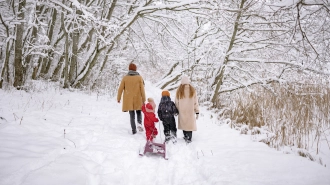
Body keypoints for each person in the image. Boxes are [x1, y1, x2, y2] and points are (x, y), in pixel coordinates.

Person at [117, 63, 146, 134]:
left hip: (128, 99)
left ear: (129, 69)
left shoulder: (125, 78)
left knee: (131, 115)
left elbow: (120, 89)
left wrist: (119, 98)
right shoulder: (139, 77)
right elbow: (142, 89)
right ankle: (139, 123)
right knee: (139, 112)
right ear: (135, 69)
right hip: (138, 98)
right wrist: (144, 99)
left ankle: (134, 130)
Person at [175, 76, 199, 143]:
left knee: (184, 124)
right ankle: (189, 138)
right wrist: (197, 111)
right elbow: (195, 102)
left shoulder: (179, 90)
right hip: (190, 111)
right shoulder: (192, 90)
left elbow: (176, 102)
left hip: (182, 111)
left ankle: (185, 136)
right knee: (189, 125)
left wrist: (177, 109)